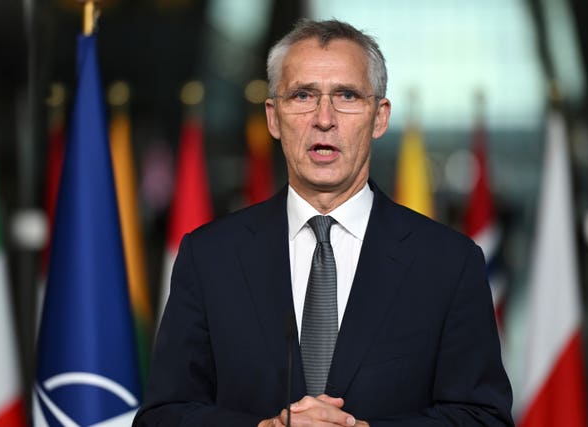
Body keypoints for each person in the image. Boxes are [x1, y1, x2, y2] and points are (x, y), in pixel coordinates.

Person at [134, 19, 513, 426]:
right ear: (274, 117)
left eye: (346, 95)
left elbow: (483, 418)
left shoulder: (449, 264)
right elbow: (163, 417)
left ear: (380, 117)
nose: (324, 118)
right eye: (303, 95)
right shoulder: (210, 258)